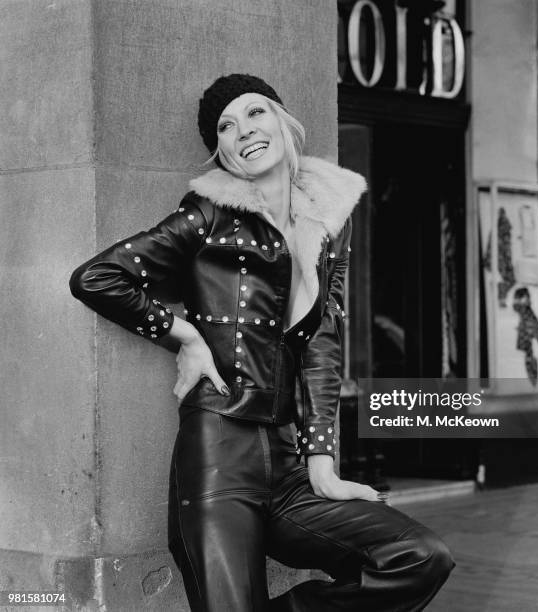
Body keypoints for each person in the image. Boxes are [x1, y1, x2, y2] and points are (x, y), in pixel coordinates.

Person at [69, 73, 455, 611]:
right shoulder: (207, 217)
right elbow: (96, 278)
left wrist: (323, 465)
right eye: (226, 127)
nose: (243, 131)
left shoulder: (326, 227)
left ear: (282, 120)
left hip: (287, 464)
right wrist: (186, 337)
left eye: (254, 113)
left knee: (419, 555)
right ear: (221, 152)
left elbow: (322, 348)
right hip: (218, 459)